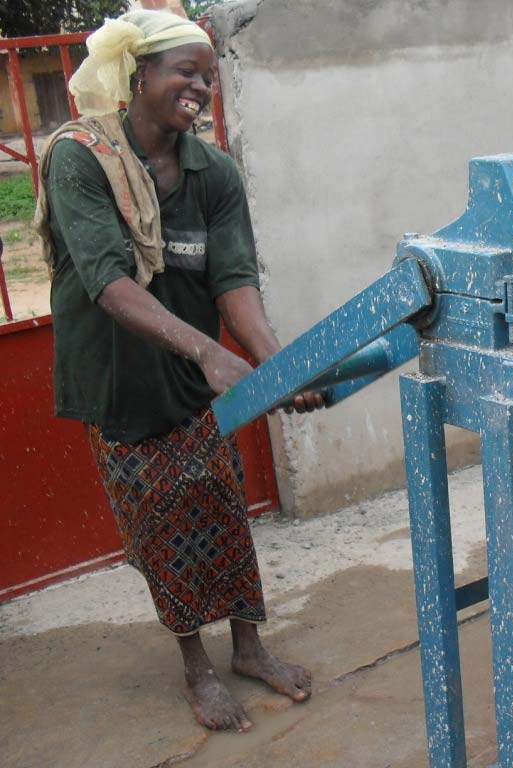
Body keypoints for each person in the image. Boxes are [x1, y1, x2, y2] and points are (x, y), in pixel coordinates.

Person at [33, 10, 324, 732]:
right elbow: (106, 280)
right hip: (120, 380)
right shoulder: (81, 158)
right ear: (139, 77)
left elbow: (233, 280)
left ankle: (249, 647)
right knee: (161, 527)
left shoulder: (213, 171)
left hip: (198, 382)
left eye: (209, 75)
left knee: (224, 507)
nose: (200, 86)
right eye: (185, 71)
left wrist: (273, 362)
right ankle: (195, 663)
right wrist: (209, 351)